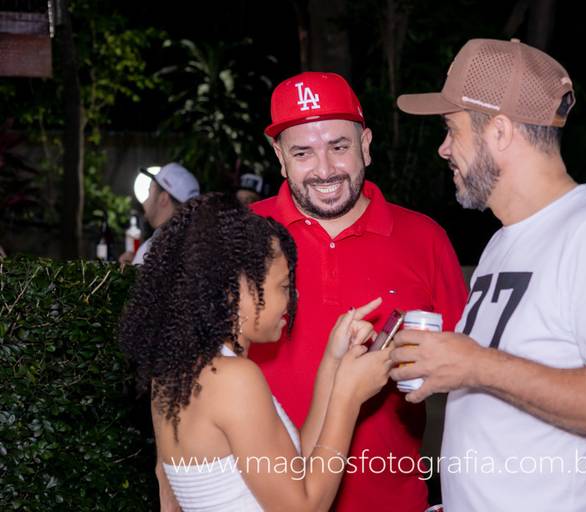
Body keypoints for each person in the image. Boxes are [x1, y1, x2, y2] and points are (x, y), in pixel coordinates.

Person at [392, 38, 586, 511]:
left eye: (452, 129)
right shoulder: (504, 240)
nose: (443, 148)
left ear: (499, 131)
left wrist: (478, 365)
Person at [249, 71, 467, 511]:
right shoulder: (241, 238)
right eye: (303, 152)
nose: (324, 170)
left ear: (365, 144)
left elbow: (472, 377)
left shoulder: (424, 239)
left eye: (339, 147)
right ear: (279, 156)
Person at [119, 193, 392, 511]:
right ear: (235, 291)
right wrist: (348, 398)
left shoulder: (179, 370)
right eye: (284, 286)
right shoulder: (232, 379)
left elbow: (294, 468)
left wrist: (333, 362)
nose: (293, 299)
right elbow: (305, 508)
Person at [118, 162, 200, 266]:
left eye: (149, 191)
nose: (144, 201)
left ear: (163, 198)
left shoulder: (153, 250)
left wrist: (127, 271)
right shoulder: (197, 246)